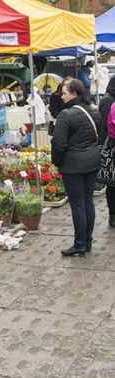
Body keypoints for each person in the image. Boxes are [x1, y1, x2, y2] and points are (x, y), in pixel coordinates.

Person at [51, 79, 101, 256]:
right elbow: (100, 137)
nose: (62, 96)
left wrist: (56, 161)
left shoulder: (66, 115)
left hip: (73, 165)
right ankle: (87, 241)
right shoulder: (94, 110)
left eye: (64, 93)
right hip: (92, 162)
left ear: (74, 94)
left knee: (78, 205)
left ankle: (79, 244)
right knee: (88, 202)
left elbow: (58, 144)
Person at [98, 75, 115, 227]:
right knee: (112, 183)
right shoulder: (108, 101)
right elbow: (105, 128)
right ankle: (112, 215)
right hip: (111, 147)